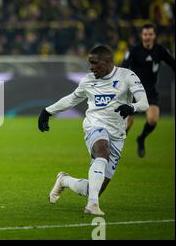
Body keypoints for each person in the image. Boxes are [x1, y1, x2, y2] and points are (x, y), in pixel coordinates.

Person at [38, 45, 149, 216]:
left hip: (117, 134)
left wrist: (131, 107)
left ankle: (64, 181)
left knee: (93, 188)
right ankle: (92, 205)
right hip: (94, 126)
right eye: (89, 63)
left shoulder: (127, 76)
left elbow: (144, 103)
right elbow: (71, 99)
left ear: (108, 62)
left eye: (95, 63)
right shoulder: (88, 80)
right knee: (101, 151)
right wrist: (47, 111)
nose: (91, 67)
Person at [122, 24, 175, 157]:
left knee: (152, 120)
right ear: (142, 36)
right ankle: (117, 147)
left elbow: (173, 63)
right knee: (127, 125)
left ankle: (141, 139)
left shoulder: (160, 50)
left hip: (150, 91)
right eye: (145, 34)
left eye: (150, 34)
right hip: (133, 91)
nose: (147, 37)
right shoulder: (134, 50)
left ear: (154, 36)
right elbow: (124, 67)